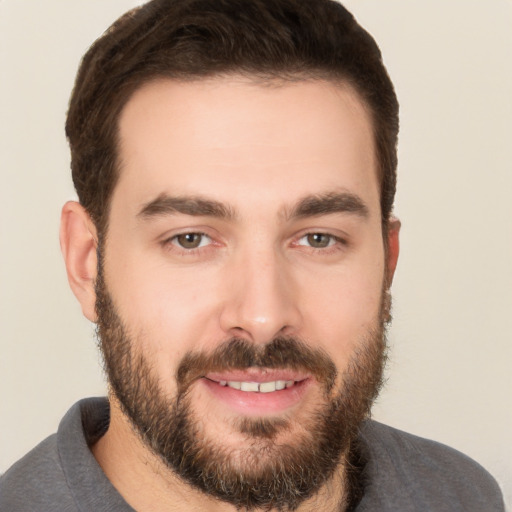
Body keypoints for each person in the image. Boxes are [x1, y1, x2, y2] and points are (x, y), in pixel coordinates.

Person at [0, 0, 505, 510]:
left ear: (387, 264)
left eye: (318, 239)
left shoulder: (461, 496)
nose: (263, 317)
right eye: (190, 239)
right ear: (87, 262)